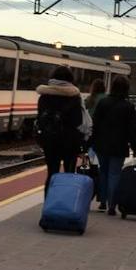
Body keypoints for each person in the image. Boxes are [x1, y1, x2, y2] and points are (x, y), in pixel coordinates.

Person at [91, 75, 136, 215]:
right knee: (115, 174)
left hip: (101, 144)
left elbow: (95, 124)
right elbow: (132, 131)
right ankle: (112, 205)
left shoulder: (103, 103)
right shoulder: (128, 107)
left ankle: (102, 202)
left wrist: (92, 142)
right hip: (119, 146)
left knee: (103, 172)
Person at [35, 65, 88, 194]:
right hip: (69, 141)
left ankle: (49, 205)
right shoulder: (74, 97)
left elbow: (40, 118)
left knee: (52, 173)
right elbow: (78, 122)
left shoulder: (44, 96)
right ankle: (65, 205)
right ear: (70, 78)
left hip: (49, 140)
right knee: (68, 174)